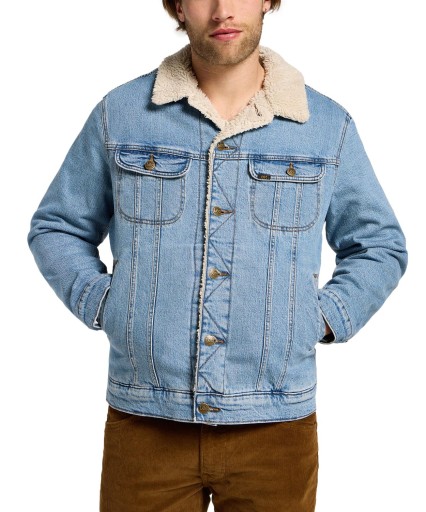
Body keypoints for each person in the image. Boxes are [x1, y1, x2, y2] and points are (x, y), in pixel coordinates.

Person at [27, 1, 408, 510]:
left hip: (276, 425)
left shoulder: (324, 125)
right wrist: (109, 305)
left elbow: (379, 245)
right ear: (178, 6)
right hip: (145, 418)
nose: (223, 10)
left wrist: (317, 317)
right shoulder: (121, 114)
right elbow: (57, 226)